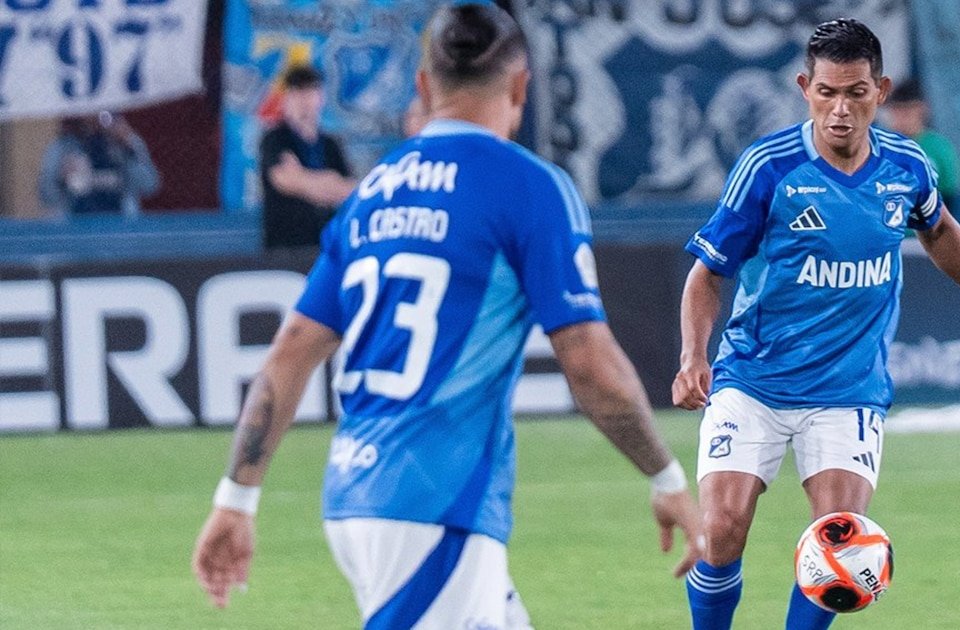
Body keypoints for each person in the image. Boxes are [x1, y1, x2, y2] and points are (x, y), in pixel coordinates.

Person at [193, 4, 703, 629]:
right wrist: (666, 477)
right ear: (521, 87)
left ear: (423, 85)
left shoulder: (373, 192)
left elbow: (291, 351)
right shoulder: (528, 187)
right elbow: (590, 367)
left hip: (358, 492)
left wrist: (237, 496)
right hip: (433, 506)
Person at [671, 18, 960, 630]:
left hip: (848, 389)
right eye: (828, 93)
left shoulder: (907, 166)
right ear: (805, 88)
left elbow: (939, 229)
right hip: (754, 379)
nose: (841, 110)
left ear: (879, 91)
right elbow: (708, 272)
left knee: (839, 547)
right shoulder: (769, 168)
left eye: (856, 93)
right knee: (722, 529)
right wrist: (692, 356)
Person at [259, 64, 357, 249]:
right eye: (296, 92)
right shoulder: (276, 138)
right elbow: (284, 180)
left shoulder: (330, 145)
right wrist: (329, 182)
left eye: (309, 91)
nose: (303, 100)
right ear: (286, 98)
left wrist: (303, 178)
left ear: (320, 97)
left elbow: (348, 190)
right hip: (285, 248)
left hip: (326, 246)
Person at [37, 112, 160, 217]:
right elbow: (47, 197)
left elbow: (149, 186)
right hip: (76, 224)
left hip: (120, 224)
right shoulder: (62, 147)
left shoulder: (127, 142)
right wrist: (60, 179)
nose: (95, 118)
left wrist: (128, 151)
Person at [885, 80, 960, 210]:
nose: (901, 116)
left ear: (921, 109)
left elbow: (948, 194)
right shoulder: (881, 146)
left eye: (907, 110)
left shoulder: (938, 147)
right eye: (896, 110)